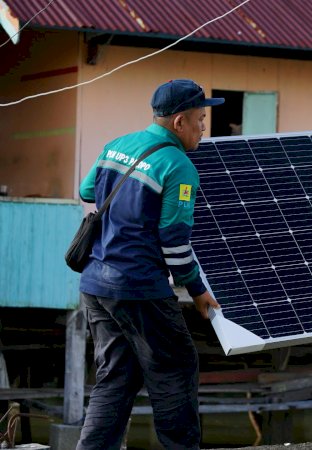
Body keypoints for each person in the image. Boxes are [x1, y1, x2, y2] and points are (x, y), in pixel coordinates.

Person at [76, 79, 223, 450]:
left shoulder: (117, 145)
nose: (203, 128)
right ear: (179, 122)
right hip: (139, 288)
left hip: (96, 285)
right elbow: (174, 244)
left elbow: (87, 192)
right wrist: (199, 292)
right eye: (200, 119)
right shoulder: (179, 167)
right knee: (175, 367)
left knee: (117, 376)